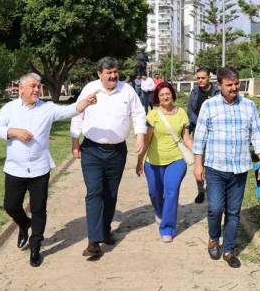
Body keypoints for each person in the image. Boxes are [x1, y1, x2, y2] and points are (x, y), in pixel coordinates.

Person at [0, 73, 97, 267]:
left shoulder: (47, 108)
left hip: (40, 168)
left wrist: (85, 102)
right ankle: (24, 223)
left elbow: (69, 110)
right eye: (32, 86)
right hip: (15, 168)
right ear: (21, 89)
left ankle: (35, 246)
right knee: (11, 205)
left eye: (38, 86)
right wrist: (14, 132)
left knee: (39, 208)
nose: (37, 89)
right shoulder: (10, 108)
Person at [193, 67, 260, 268]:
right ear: (220, 85)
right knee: (216, 208)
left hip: (240, 168)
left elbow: (257, 136)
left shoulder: (249, 106)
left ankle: (228, 250)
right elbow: (200, 138)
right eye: (229, 85)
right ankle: (213, 238)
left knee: (233, 212)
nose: (234, 88)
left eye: (236, 84)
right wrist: (197, 165)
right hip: (215, 167)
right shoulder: (209, 106)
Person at [71, 57, 147, 259]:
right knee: (94, 192)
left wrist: (139, 137)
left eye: (115, 72)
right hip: (92, 151)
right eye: (109, 73)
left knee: (110, 193)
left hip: (117, 152)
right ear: (99, 74)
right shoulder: (90, 89)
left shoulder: (127, 90)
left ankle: (104, 230)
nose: (113, 76)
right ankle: (93, 242)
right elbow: (77, 114)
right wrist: (75, 142)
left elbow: (139, 114)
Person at [136, 82, 193, 242]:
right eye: (161, 95)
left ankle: (167, 228)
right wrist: (140, 161)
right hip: (153, 161)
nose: (165, 97)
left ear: (173, 95)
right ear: (157, 98)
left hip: (176, 160)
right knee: (154, 193)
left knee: (171, 191)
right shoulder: (153, 115)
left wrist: (198, 154)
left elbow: (186, 138)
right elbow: (146, 140)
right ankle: (160, 212)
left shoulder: (181, 113)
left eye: (167, 94)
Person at [187, 67, 219, 204]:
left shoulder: (217, 92)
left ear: (209, 77)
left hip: (215, 132)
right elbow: (190, 110)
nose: (200, 80)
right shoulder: (194, 92)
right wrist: (198, 122)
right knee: (199, 162)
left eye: (203, 78)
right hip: (199, 131)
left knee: (212, 163)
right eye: (198, 78)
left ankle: (212, 189)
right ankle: (200, 190)